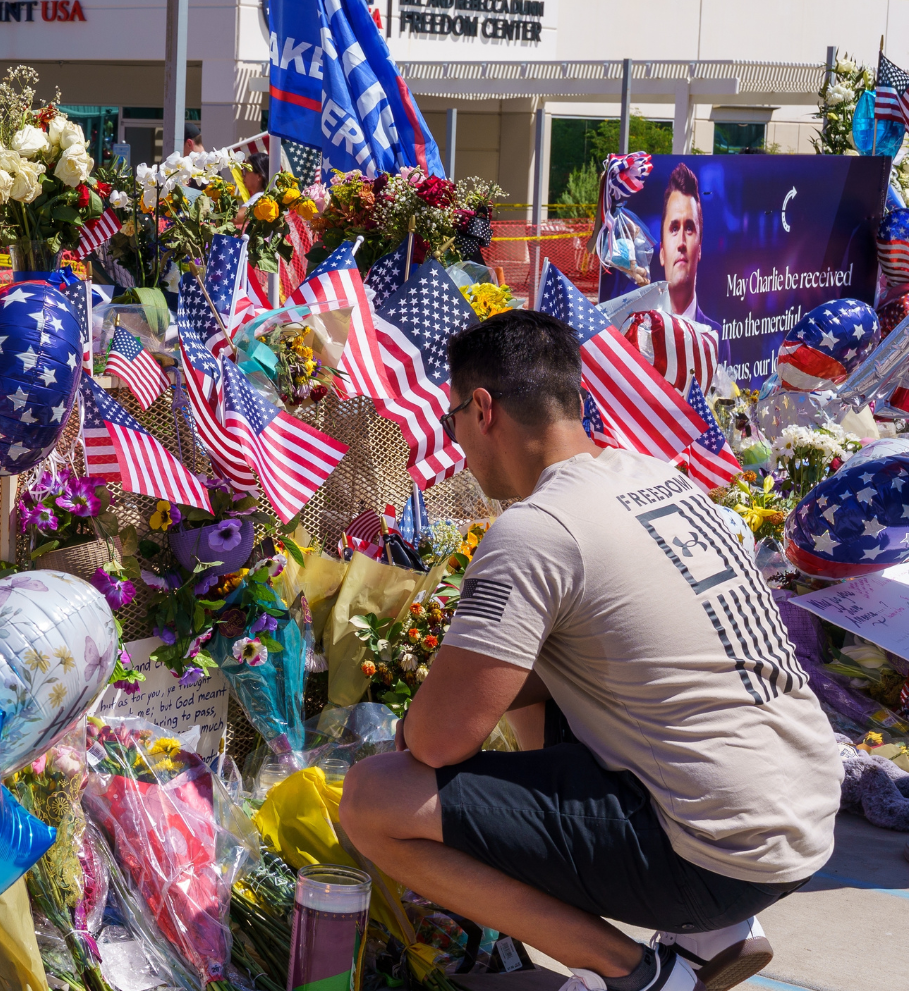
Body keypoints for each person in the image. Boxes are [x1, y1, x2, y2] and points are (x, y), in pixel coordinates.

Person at [338, 311, 840, 991]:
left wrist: (411, 726)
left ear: (482, 408)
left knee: (376, 798)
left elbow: (435, 743)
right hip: (801, 813)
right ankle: (711, 934)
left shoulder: (538, 529)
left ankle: (633, 973)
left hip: (718, 852)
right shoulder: (659, 476)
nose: (455, 444)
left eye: (453, 418)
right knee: (545, 671)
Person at [661, 162, 711, 327]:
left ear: (700, 249)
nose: (681, 242)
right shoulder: (640, 333)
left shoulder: (718, 340)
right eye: (674, 229)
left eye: (689, 228)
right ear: (662, 251)